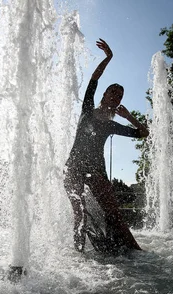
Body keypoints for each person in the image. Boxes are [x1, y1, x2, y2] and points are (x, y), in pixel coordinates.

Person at [64, 38, 149, 253]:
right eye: (113, 93)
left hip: (96, 170)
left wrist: (129, 116)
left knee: (114, 213)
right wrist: (108, 58)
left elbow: (143, 133)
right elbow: (94, 79)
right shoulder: (87, 109)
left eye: (120, 96)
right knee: (80, 213)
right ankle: (79, 254)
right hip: (74, 166)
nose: (116, 97)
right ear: (105, 94)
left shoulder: (111, 125)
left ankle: (136, 252)